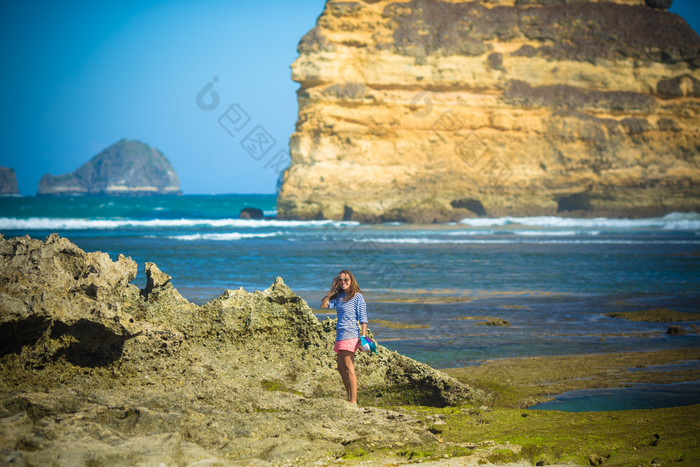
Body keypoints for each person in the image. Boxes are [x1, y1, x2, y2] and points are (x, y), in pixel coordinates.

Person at [320, 269, 368, 404]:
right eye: (340, 280)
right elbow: (323, 305)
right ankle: (349, 399)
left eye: (346, 280)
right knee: (341, 369)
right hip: (340, 335)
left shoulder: (357, 296)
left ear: (351, 281)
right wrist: (331, 290)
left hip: (350, 334)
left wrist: (363, 338)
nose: (343, 282)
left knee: (349, 368)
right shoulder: (339, 297)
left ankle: (353, 401)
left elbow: (363, 319)